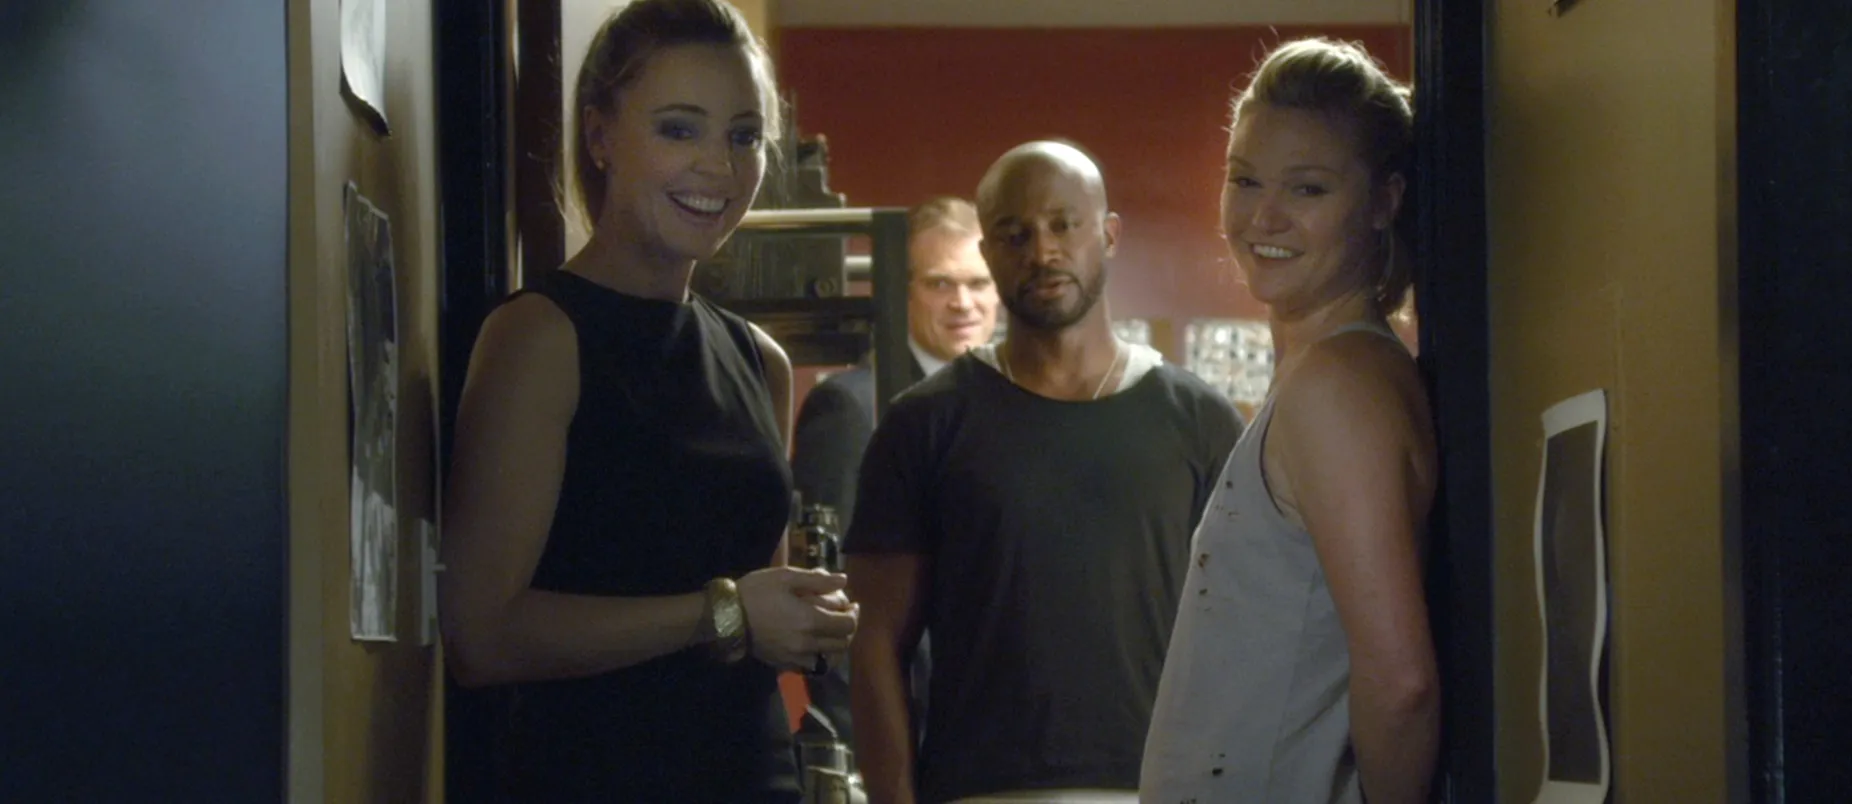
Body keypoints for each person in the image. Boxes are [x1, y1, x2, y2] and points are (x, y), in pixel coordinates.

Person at [436, 2, 858, 801]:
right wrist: (725, 611)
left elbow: (755, 616)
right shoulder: (539, 336)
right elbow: (480, 636)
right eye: (679, 129)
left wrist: (799, 618)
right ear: (599, 136)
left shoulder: (759, 360)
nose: (719, 167)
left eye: (743, 136)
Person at [844, 140, 1245, 804]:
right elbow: (876, 642)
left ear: (1108, 235)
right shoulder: (924, 423)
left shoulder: (1199, 419)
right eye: (1015, 233)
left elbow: (1245, 632)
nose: (1042, 250)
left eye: (1064, 224)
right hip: (980, 791)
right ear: (988, 251)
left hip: (1161, 787)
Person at [1140, 38, 1441, 804]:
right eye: (1245, 179)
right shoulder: (1320, 375)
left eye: (1307, 189)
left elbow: (1402, 685)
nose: (1263, 216)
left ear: (1384, 201)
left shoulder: (1339, 386)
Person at [789, 194, 1000, 747]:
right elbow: (832, 600)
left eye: (978, 283)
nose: (963, 302)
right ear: (903, 290)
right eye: (940, 283)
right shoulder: (852, 407)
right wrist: (870, 756)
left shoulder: (1013, 409)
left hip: (991, 741)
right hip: (902, 740)